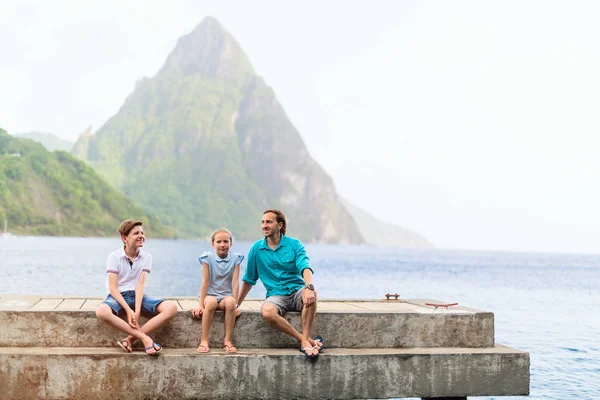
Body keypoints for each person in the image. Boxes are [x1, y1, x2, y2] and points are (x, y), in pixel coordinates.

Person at [237, 209, 324, 358]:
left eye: (269, 222)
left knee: (312, 295)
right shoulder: (256, 249)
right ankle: (304, 340)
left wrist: (309, 287)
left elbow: (305, 267)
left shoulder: (294, 244)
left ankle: (305, 340)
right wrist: (236, 304)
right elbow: (249, 279)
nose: (264, 226)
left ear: (280, 225)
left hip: (297, 291)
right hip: (276, 295)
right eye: (263, 222)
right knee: (267, 311)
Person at [95, 219, 178, 355]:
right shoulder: (114, 256)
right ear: (125, 238)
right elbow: (113, 288)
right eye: (136, 233)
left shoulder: (147, 257)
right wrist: (129, 310)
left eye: (142, 232)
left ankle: (129, 339)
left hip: (137, 296)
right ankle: (144, 337)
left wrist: (137, 310)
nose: (141, 236)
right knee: (101, 311)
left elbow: (140, 284)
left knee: (171, 308)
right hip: (117, 297)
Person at [191, 228, 243, 353]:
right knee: (211, 303)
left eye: (226, 241)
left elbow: (235, 283)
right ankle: (204, 340)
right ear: (212, 244)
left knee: (230, 302)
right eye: (219, 242)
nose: (222, 245)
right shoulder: (207, 257)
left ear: (230, 243)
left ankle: (227, 340)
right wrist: (200, 305)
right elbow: (205, 282)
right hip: (210, 295)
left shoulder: (236, 258)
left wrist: (236, 305)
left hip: (226, 296)